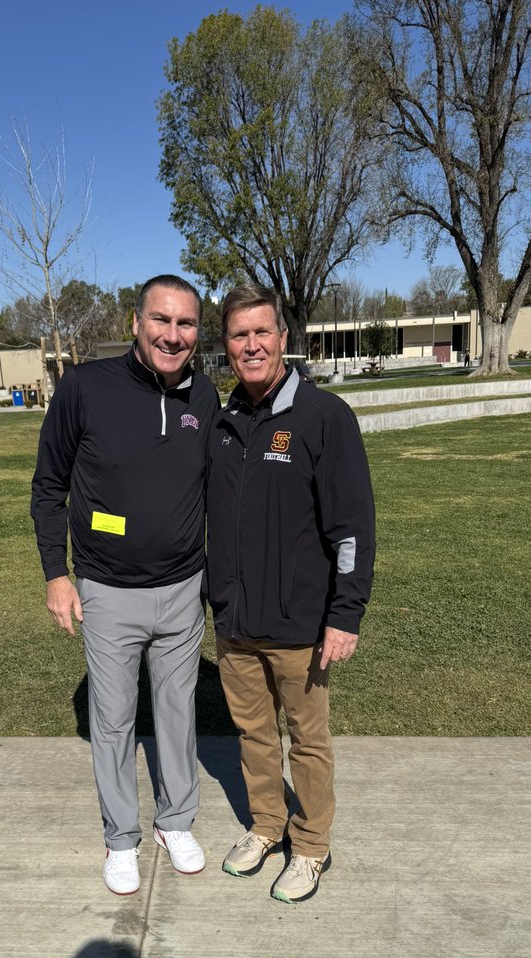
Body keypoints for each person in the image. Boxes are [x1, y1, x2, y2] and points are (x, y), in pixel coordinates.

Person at [31, 275, 219, 896]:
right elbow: (48, 487)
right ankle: (120, 838)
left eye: (186, 324)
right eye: (161, 320)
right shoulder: (85, 388)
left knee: (176, 712)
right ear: (135, 322)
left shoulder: (204, 397)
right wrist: (57, 575)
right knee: (112, 721)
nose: (173, 334)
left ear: (197, 332)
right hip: (107, 590)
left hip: (182, 589)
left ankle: (176, 821)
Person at [206, 285, 375, 903]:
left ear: (283, 337)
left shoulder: (323, 417)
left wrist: (345, 612)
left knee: (307, 740)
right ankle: (268, 827)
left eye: (261, 333)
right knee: (254, 737)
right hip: (235, 621)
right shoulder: (224, 422)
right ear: (225, 346)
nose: (250, 346)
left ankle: (311, 847)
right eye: (237, 335)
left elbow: (352, 525)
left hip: (301, 624)